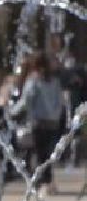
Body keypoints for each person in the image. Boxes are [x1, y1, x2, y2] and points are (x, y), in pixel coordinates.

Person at [19, 52, 67, 190]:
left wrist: (11, 111)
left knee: (40, 153)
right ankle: (49, 181)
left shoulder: (33, 81)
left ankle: (43, 181)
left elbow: (26, 101)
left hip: (38, 122)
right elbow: (60, 102)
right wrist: (56, 115)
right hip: (53, 122)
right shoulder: (54, 81)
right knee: (48, 152)